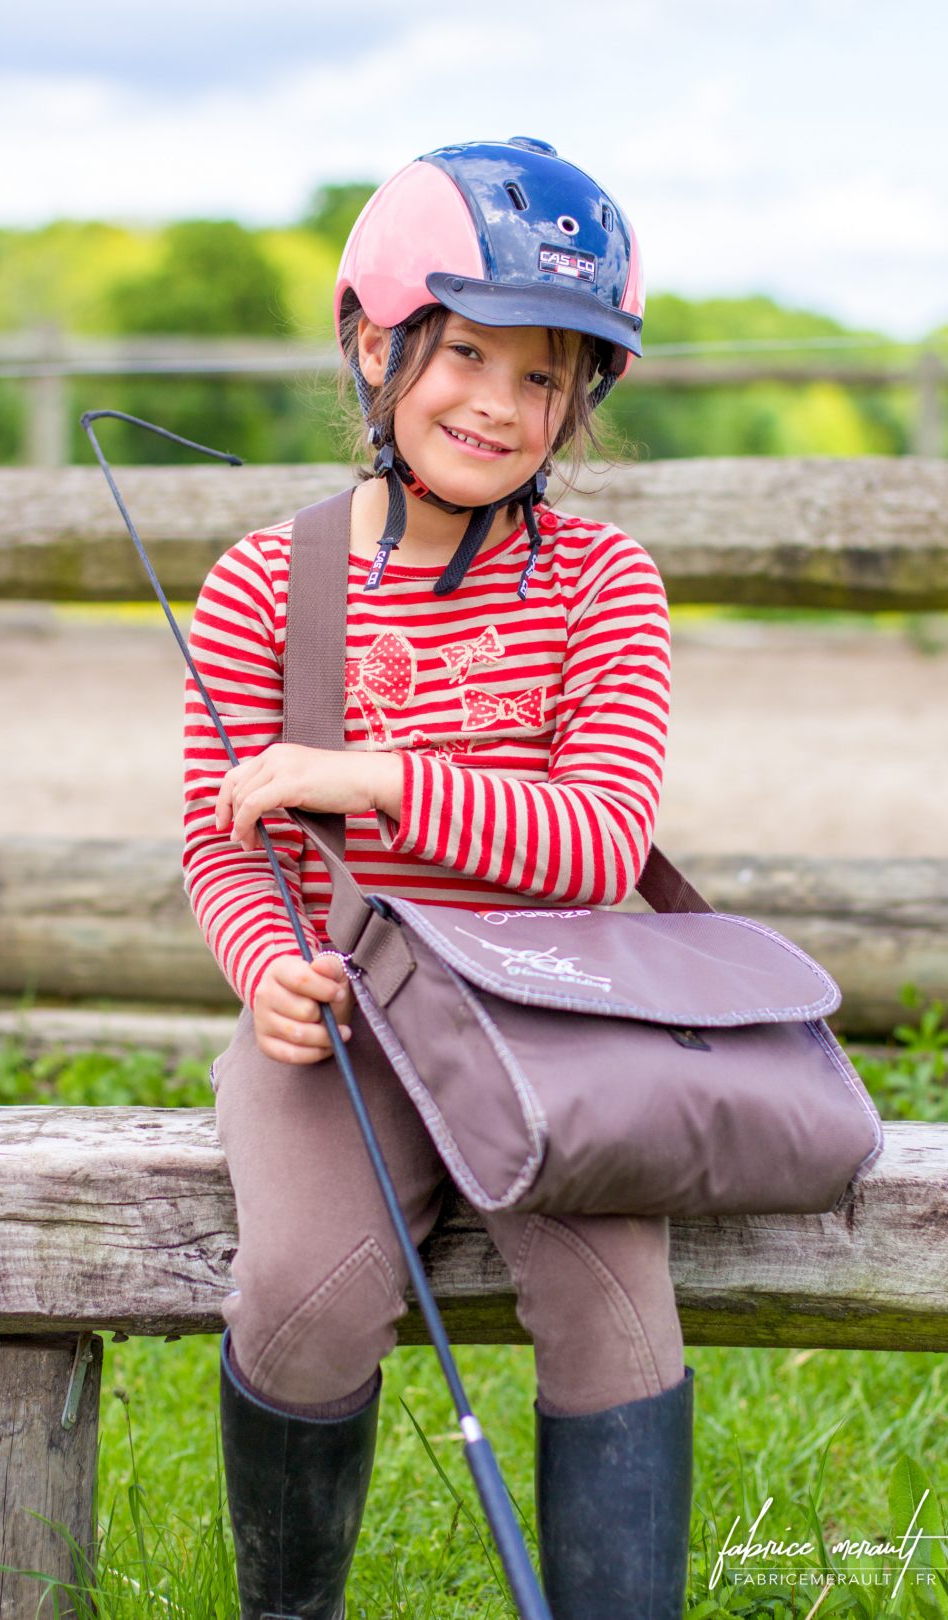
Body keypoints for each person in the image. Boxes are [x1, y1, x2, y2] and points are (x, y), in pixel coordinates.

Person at [183, 136, 694, 1620]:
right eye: (464, 351)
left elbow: (599, 838)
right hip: (348, 1011)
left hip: (557, 1019)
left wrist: (378, 776)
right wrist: (266, 966)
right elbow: (228, 841)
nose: (497, 402)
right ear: (372, 339)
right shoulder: (264, 585)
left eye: (546, 377)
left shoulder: (605, 584)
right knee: (305, 1297)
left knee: (614, 1316)